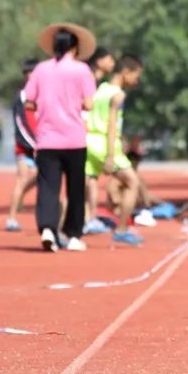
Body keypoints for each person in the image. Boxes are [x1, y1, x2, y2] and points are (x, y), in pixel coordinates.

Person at [24, 22, 97, 252]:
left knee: (48, 187)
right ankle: (73, 234)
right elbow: (89, 102)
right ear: (74, 48)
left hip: (47, 140)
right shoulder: (82, 70)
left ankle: (47, 228)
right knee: (75, 188)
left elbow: (28, 100)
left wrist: (43, 105)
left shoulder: (41, 70)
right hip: (74, 138)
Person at [85, 54, 146, 246]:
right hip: (104, 143)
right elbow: (112, 125)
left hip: (89, 141)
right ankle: (121, 230)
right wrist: (111, 155)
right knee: (132, 183)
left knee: (86, 184)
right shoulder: (118, 95)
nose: (136, 81)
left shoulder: (102, 88)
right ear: (125, 72)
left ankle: (77, 224)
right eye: (135, 76)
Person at [82, 47, 116, 236]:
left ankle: (89, 218)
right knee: (87, 180)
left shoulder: (97, 81)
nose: (112, 63)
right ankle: (87, 218)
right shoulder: (88, 79)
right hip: (86, 134)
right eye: (110, 59)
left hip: (88, 134)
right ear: (100, 60)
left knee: (89, 180)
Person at [6, 57, 39, 233]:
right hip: (25, 147)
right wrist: (33, 143)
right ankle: (11, 218)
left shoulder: (43, 95)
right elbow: (22, 123)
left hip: (42, 146)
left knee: (43, 178)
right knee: (21, 179)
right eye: (29, 73)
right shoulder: (22, 97)